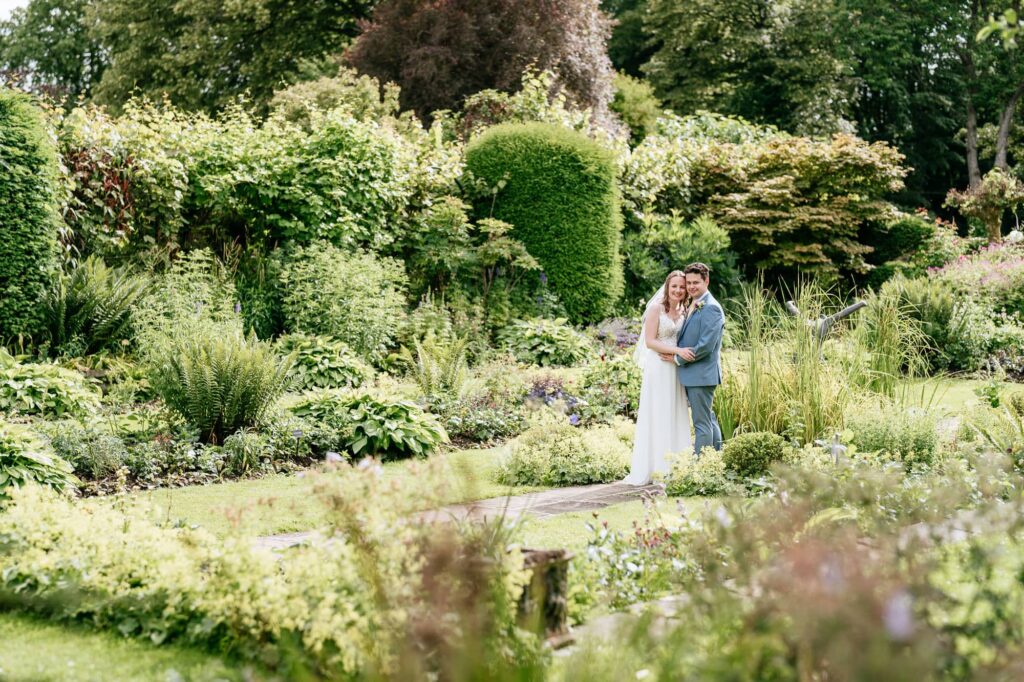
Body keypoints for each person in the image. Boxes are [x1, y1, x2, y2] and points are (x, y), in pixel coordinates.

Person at [623, 270, 693, 485]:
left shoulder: (684, 312)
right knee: (659, 413)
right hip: (658, 368)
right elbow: (650, 342)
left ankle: (676, 464)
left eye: (682, 287)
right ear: (667, 287)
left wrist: (678, 356)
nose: (678, 290)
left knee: (675, 411)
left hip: (674, 368)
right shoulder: (656, 309)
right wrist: (678, 352)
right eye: (674, 286)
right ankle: (656, 467)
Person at [670, 262, 724, 454]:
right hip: (697, 374)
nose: (691, 287)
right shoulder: (694, 303)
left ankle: (700, 467)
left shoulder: (711, 307)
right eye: (689, 282)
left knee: (701, 424)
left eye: (696, 283)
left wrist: (677, 359)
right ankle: (716, 458)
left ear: (706, 281)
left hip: (701, 374)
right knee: (708, 419)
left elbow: (705, 346)